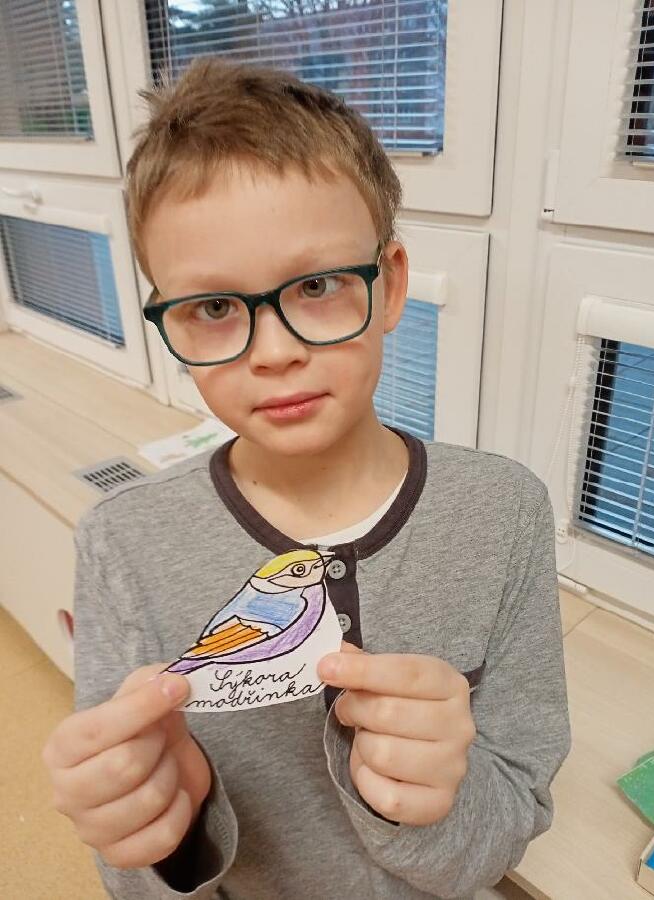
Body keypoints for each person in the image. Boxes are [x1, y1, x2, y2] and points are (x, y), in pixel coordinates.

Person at [42, 58, 571, 899]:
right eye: (214, 307)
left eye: (317, 285)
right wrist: (169, 825)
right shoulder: (124, 542)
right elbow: (136, 873)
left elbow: (509, 816)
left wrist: (434, 801)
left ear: (389, 286)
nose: (274, 350)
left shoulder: (502, 513)